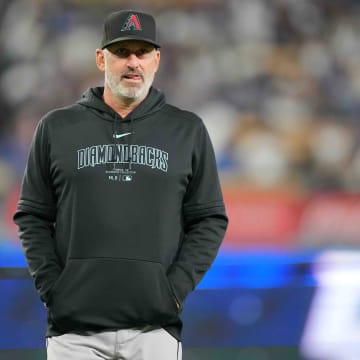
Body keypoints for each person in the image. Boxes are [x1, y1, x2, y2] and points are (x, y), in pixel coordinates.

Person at [13, 9, 228, 360]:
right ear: (101, 58)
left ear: (156, 59)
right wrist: (54, 289)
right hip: (74, 333)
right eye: (122, 51)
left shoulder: (187, 130)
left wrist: (172, 292)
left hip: (153, 331)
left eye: (142, 52)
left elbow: (209, 219)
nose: (133, 62)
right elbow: (33, 217)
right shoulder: (56, 127)